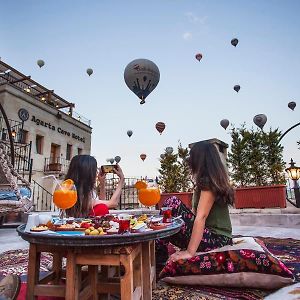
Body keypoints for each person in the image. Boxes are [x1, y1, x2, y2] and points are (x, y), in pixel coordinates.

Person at [158, 141, 234, 264]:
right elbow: (194, 215)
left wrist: (190, 252)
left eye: (192, 156)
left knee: (172, 203)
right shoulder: (204, 182)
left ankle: (158, 255)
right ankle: (157, 251)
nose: (190, 160)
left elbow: (201, 217)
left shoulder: (209, 182)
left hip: (217, 238)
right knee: (170, 218)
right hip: (207, 235)